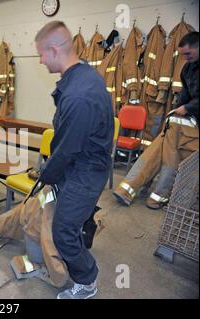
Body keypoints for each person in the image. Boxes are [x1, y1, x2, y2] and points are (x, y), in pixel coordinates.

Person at [35, 21, 114, 299]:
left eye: (42, 54)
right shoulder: (81, 77)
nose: (41, 60)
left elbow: (66, 149)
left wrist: (46, 176)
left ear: (54, 50)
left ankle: (87, 281)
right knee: (67, 217)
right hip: (80, 163)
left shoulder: (79, 95)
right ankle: (86, 221)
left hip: (85, 170)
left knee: (63, 231)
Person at [114, 32, 199, 209]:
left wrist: (186, 109)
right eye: (182, 55)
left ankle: (128, 188)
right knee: (165, 142)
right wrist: (177, 109)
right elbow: (184, 93)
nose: (184, 58)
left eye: (188, 54)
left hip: (195, 129)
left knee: (169, 144)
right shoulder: (189, 67)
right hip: (186, 126)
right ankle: (155, 197)